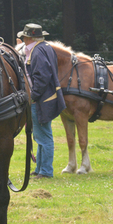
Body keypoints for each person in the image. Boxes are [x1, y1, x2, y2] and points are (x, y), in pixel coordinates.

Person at [18, 23, 66, 179]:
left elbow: (42, 77)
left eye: (23, 37)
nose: (22, 39)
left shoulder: (36, 52)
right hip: (45, 98)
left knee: (44, 137)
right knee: (40, 135)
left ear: (28, 37)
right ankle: (39, 169)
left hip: (40, 100)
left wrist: (33, 96)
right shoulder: (44, 47)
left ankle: (45, 172)